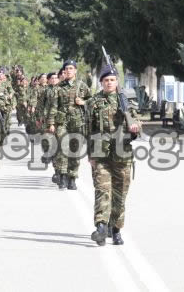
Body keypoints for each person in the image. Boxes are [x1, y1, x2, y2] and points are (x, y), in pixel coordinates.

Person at [87, 63, 141, 246]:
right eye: (106, 80)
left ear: (117, 81)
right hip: (101, 154)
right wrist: (90, 155)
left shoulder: (126, 100)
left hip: (122, 154)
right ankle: (101, 227)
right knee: (102, 191)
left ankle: (116, 229)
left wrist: (134, 127)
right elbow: (89, 130)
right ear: (101, 83)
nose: (109, 83)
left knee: (119, 195)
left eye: (112, 80)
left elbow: (136, 124)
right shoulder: (94, 102)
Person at [47, 60, 92, 190]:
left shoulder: (82, 86)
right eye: (66, 69)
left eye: (71, 68)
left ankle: (72, 178)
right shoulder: (59, 87)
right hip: (62, 122)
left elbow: (92, 100)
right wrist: (51, 123)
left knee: (75, 150)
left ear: (75, 71)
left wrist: (83, 102)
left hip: (78, 121)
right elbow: (54, 106)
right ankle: (62, 176)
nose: (68, 71)